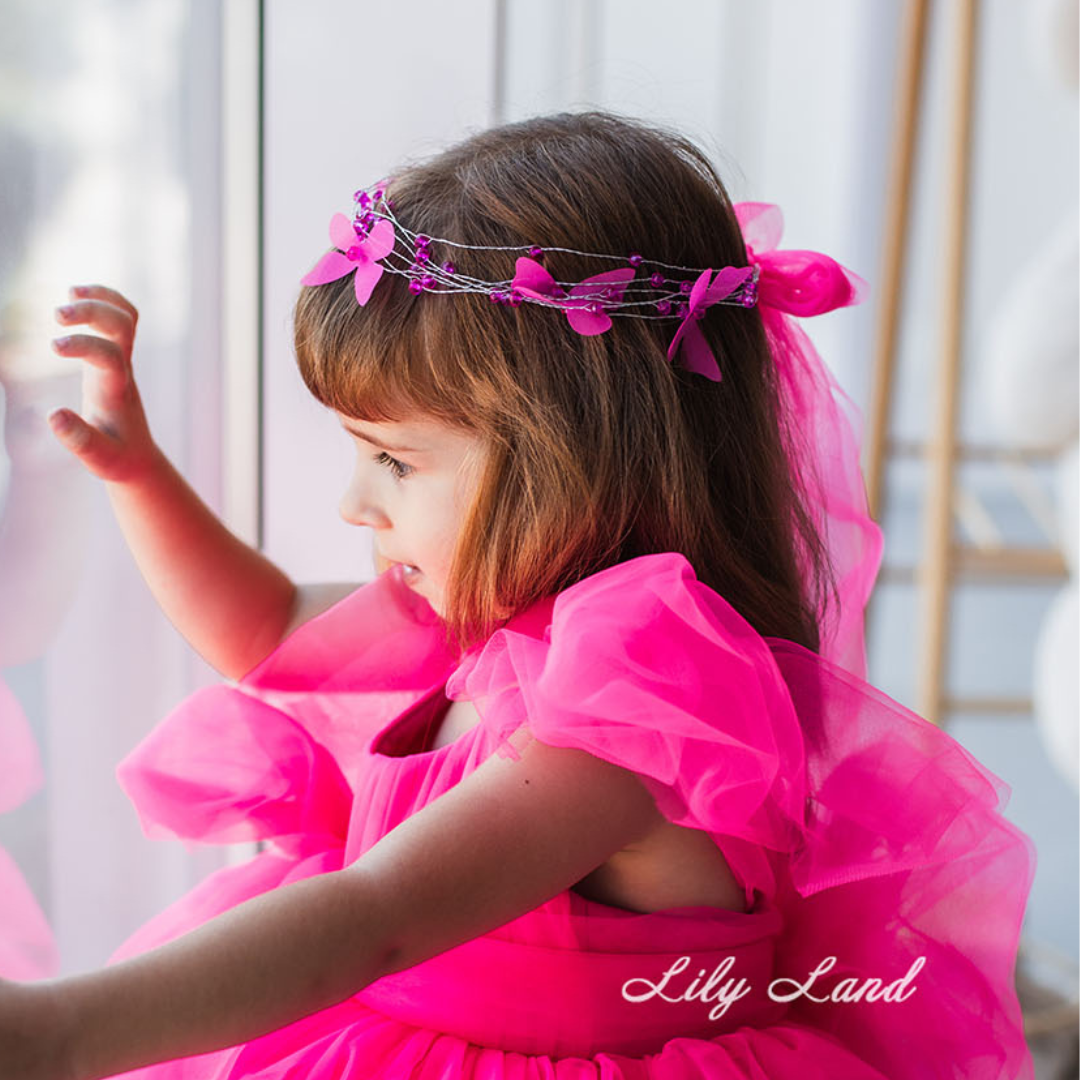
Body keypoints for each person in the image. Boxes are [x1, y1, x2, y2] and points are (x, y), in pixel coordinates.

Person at [0, 111, 1036, 1080]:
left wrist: (62, 1030)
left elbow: (381, 915)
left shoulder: (649, 701)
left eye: (396, 461)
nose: (357, 503)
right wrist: (141, 476)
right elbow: (265, 632)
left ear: (572, 460)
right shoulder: (497, 630)